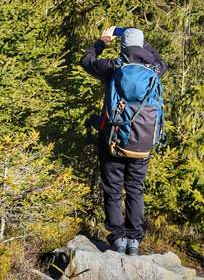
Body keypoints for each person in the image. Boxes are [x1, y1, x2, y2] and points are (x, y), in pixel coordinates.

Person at [81, 26, 166, 256]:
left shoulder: (113, 67)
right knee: (135, 189)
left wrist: (102, 42)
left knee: (113, 189)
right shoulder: (156, 69)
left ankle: (117, 238)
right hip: (143, 143)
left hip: (112, 139)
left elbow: (87, 61)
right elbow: (158, 58)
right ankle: (134, 241)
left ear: (123, 46)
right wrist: (141, 44)